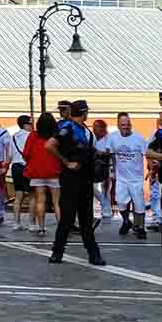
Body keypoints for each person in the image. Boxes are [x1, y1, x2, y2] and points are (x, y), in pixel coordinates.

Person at [47, 100, 104, 266]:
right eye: (87, 112)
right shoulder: (68, 128)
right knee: (68, 217)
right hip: (71, 178)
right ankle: (57, 252)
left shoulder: (83, 129)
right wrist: (66, 162)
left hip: (85, 178)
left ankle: (93, 254)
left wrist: (98, 154)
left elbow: (85, 149)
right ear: (83, 112)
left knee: (86, 218)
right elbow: (49, 145)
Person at [108, 113, 148, 239]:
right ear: (118, 125)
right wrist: (114, 172)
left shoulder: (139, 138)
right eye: (123, 125)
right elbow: (113, 155)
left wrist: (151, 168)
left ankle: (140, 227)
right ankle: (126, 221)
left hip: (136, 178)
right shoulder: (112, 138)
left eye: (128, 124)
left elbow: (148, 154)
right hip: (121, 178)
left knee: (139, 204)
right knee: (120, 203)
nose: (126, 127)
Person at [22, 113, 60, 238]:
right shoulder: (56, 136)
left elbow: (26, 153)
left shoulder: (33, 135)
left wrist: (33, 162)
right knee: (57, 202)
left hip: (37, 171)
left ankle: (41, 228)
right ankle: (62, 228)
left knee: (40, 200)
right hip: (54, 171)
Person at [6, 114, 33, 230]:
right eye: (31, 123)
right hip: (28, 166)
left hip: (16, 167)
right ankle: (32, 224)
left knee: (18, 195)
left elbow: (10, 155)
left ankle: (16, 222)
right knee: (33, 195)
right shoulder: (32, 136)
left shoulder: (14, 136)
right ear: (25, 124)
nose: (32, 125)